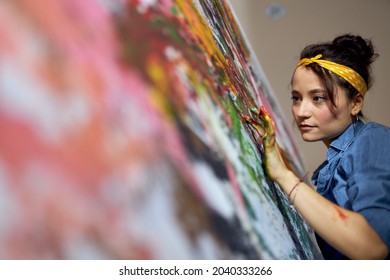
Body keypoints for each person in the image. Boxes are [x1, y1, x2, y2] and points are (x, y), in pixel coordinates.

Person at [247, 34, 390, 259]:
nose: (301, 112)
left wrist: (285, 176)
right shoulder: (334, 163)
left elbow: (373, 245)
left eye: (318, 98)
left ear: (356, 103)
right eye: (296, 98)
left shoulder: (372, 139)